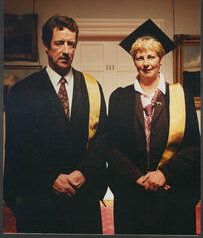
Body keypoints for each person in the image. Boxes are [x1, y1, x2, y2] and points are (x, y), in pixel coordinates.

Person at [3, 14, 107, 234]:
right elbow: (17, 146)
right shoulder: (23, 91)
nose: (66, 50)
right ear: (45, 46)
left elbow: (102, 138)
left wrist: (84, 172)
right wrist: (50, 178)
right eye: (59, 43)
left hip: (83, 199)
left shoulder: (92, 87)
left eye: (71, 44)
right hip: (39, 199)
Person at [107, 19, 200, 234]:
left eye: (151, 57)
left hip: (173, 193)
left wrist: (164, 173)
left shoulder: (179, 95)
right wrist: (137, 177)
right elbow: (112, 146)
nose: (146, 63)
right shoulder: (120, 97)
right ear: (134, 61)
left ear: (161, 58)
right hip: (132, 195)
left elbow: (194, 145)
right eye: (140, 57)